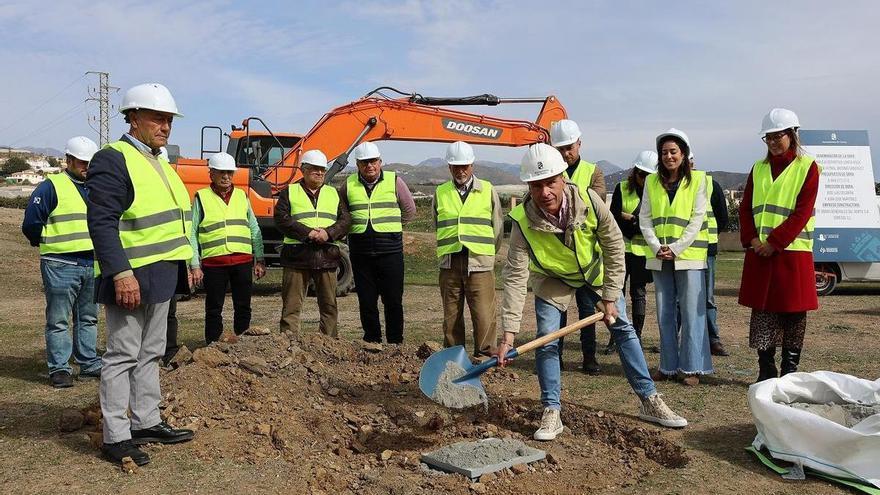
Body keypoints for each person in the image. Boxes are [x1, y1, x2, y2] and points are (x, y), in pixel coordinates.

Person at [497, 144, 687, 441]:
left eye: (550, 183)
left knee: (623, 328)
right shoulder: (522, 219)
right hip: (552, 278)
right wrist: (509, 332)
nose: (544, 191)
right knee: (547, 337)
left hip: (594, 273)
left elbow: (613, 246)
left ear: (563, 178)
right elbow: (515, 276)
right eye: (536, 185)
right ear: (528, 186)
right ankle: (551, 410)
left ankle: (650, 399)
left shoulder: (589, 200)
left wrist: (610, 296)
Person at [87, 83, 195, 466]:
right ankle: (116, 435)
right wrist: (120, 273)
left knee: (151, 352)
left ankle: (146, 421)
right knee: (122, 355)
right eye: (157, 118)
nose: (165, 126)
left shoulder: (159, 160)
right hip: (131, 276)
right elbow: (101, 223)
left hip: (161, 274)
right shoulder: (113, 158)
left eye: (169, 120)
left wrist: (186, 264)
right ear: (133, 117)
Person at [739, 108, 819, 381]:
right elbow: (745, 207)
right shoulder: (758, 168)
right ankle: (766, 367)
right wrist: (752, 240)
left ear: (793, 135)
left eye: (778, 136)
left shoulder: (808, 167)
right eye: (768, 137)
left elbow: (802, 211)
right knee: (763, 312)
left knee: (793, 314)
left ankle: (790, 371)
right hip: (760, 252)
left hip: (792, 252)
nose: (773, 142)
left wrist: (774, 242)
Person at [21, 136, 102, 388]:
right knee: (58, 319)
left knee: (88, 317)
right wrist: (44, 242)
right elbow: (31, 223)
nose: (86, 167)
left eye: (90, 162)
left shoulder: (97, 188)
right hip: (59, 263)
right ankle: (59, 368)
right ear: (69, 160)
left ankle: (88, 362)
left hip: (91, 262)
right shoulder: (51, 186)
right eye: (81, 162)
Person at [639, 128, 713, 386]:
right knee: (664, 312)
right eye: (664, 152)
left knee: (693, 311)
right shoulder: (651, 182)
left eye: (673, 151)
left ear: (683, 154)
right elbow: (644, 217)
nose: (669, 156)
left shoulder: (699, 180)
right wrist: (656, 245)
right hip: (659, 255)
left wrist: (677, 248)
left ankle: (691, 367)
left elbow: (697, 218)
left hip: (689, 255)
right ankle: (667, 366)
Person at [339, 142, 416, 344]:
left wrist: (392, 229)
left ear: (380, 162)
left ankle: (395, 342)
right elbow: (343, 215)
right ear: (357, 164)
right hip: (361, 253)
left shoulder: (395, 181)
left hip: (390, 252)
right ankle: (372, 340)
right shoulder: (348, 185)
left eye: (373, 161)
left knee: (393, 300)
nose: (369, 166)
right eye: (364, 163)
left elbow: (409, 210)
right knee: (366, 301)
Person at [432, 142, 502, 357]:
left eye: (464, 166)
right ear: (449, 167)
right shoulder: (440, 192)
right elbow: (437, 223)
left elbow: (497, 227)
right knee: (451, 315)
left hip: (479, 262)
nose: (460, 170)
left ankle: (485, 355)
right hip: (450, 262)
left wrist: (487, 254)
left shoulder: (488, 190)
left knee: (483, 314)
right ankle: (455, 357)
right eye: (456, 166)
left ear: (472, 165)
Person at [549, 119, 607, 374]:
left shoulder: (594, 172)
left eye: (569, 147)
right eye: (560, 148)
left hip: (585, 255)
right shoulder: (550, 173)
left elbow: (596, 205)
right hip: (559, 256)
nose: (565, 153)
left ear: (579, 144)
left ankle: (589, 357)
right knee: (558, 310)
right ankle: (556, 356)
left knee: (587, 310)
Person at [189, 152, 266, 344]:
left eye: (230, 173)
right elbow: (192, 232)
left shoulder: (242, 196)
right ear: (211, 174)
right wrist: (194, 264)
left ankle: (244, 342)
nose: (226, 177)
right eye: (221, 172)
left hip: (242, 261)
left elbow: (253, 228)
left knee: (243, 305)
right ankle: (213, 344)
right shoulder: (201, 197)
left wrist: (260, 258)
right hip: (214, 263)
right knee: (214, 307)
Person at [274, 149, 351, 337]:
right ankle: (289, 343)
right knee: (291, 306)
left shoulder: (333, 193)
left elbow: (345, 221)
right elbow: (282, 219)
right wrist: (308, 233)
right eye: (314, 169)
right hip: (297, 256)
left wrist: (328, 233)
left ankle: (329, 343)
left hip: (326, 256)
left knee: (329, 306)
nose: (319, 173)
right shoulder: (289, 192)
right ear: (303, 169)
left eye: (322, 170)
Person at [604, 150, 657, 355]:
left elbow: (651, 223)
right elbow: (614, 218)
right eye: (642, 174)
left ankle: (637, 337)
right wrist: (634, 223)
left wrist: (632, 220)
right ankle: (615, 337)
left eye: (649, 176)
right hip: (621, 250)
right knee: (616, 295)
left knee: (639, 295)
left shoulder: (655, 192)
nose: (644, 179)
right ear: (635, 172)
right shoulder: (622, 188)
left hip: (642, 252)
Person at [690, 153, 730, 356]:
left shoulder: (710, 184)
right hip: (683, 253)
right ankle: (681, 339)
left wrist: (709, 236)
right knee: (681, 300)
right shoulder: (673, 186)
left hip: (706, 249)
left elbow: (722, 217)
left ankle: (713, 339)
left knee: (707, 297)